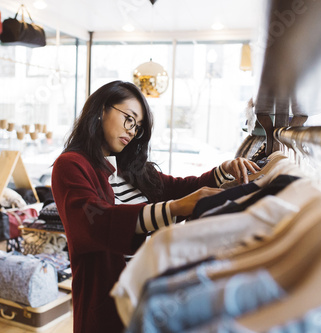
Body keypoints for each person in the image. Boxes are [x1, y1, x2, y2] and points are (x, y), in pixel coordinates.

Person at [51, 80, 260, 333]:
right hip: (107, 305)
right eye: (129, 118)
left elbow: (180, 187)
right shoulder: (71, 165)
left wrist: (223, 171)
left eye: (138, 127)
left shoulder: (130, 168)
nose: (132, 130)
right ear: (101, 110)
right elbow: (95, 221)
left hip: (150, 299)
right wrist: (173, 209)